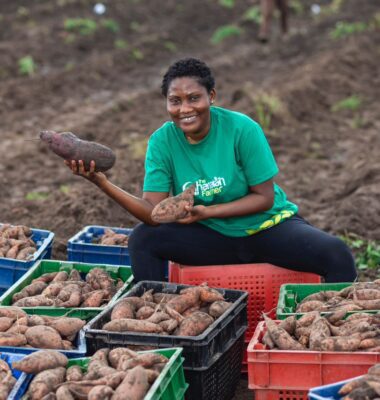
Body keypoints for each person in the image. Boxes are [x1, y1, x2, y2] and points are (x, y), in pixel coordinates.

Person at [66, 57, 357, 284]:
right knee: (144, 239)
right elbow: (153, 214)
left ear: (212, 96)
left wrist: (207, 212)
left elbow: (264, 198)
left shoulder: (241, 128)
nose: (185, 109)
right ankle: (156, 324)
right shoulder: (162, 141)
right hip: (211, 238)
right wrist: (101, 182)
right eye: (175, 101)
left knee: (337, 254)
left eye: (194, 98)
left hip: (266, 228)